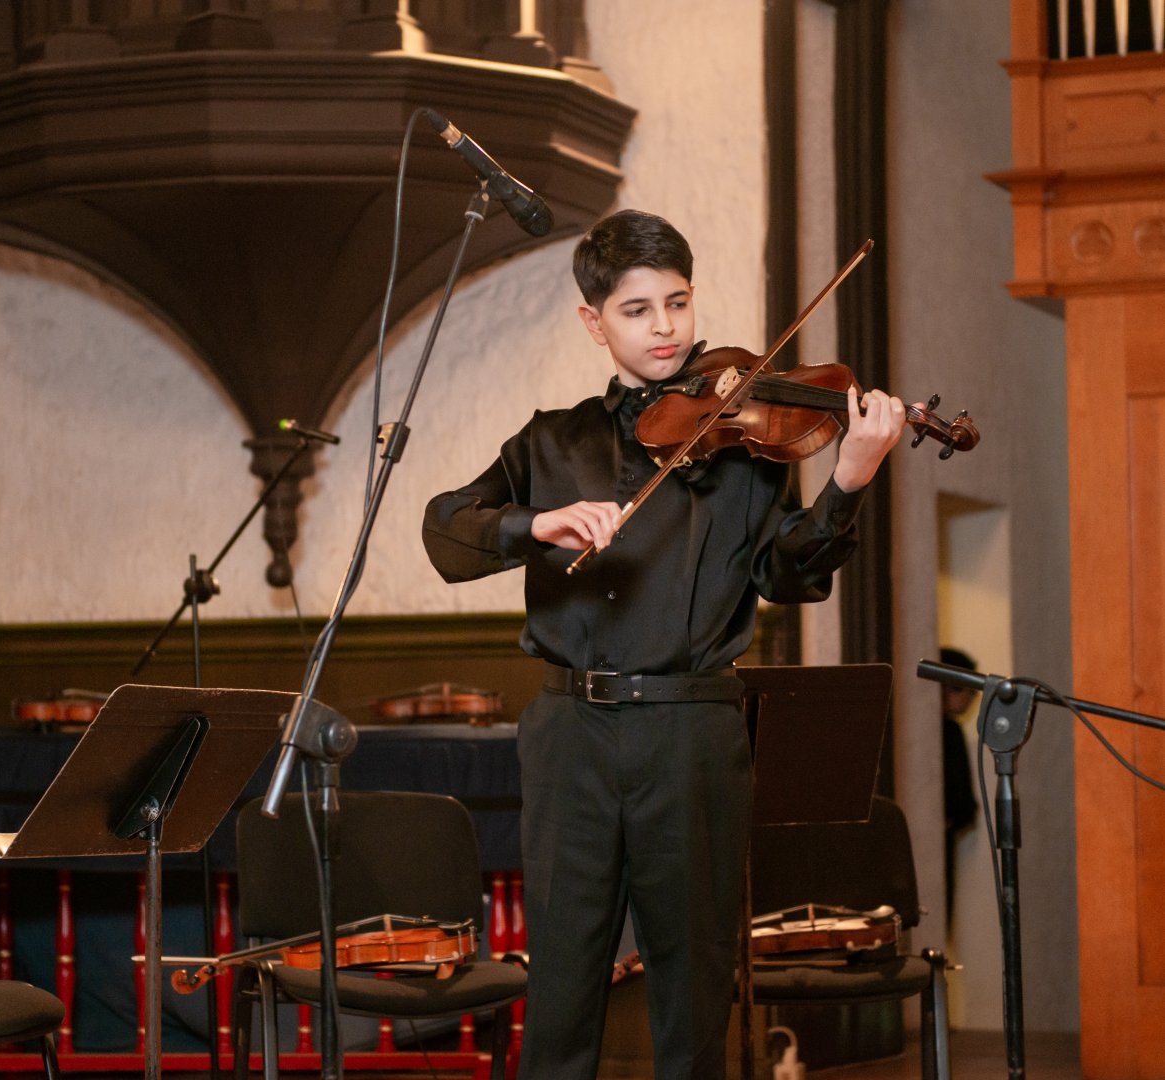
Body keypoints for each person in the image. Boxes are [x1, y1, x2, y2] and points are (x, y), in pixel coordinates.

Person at [420, 209, 906, 1079]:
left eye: (677, 303)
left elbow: (790, 576)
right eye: (638, 310)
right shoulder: (551, 440)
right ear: (593, 322)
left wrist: (849, 483)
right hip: (570, 735)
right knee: (564, 984)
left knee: (693, 988)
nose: (666, 328)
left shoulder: (752, 446)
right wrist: (536, 524)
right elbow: (446, 530)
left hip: (693, 732)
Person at [939, 645, 981, 929]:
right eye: (969, 689)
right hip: (940, 839)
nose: (973, 698)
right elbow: (962, 802)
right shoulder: (949, 732)